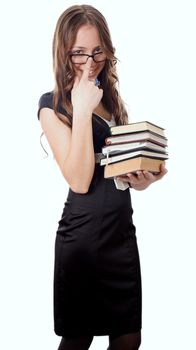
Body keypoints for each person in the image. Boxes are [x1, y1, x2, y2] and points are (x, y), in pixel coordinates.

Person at [37, 4, 167, 350]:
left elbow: (114, 167)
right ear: (64, 52)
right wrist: (80, 108)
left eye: (97, 51)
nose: (90, 62)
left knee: (128, 339)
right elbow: (79, 180)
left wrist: (144, 178)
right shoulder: (52, 105)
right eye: (79, 53)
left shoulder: (110, 99)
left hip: (121, 232)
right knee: (79, 338)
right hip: (83, 236)